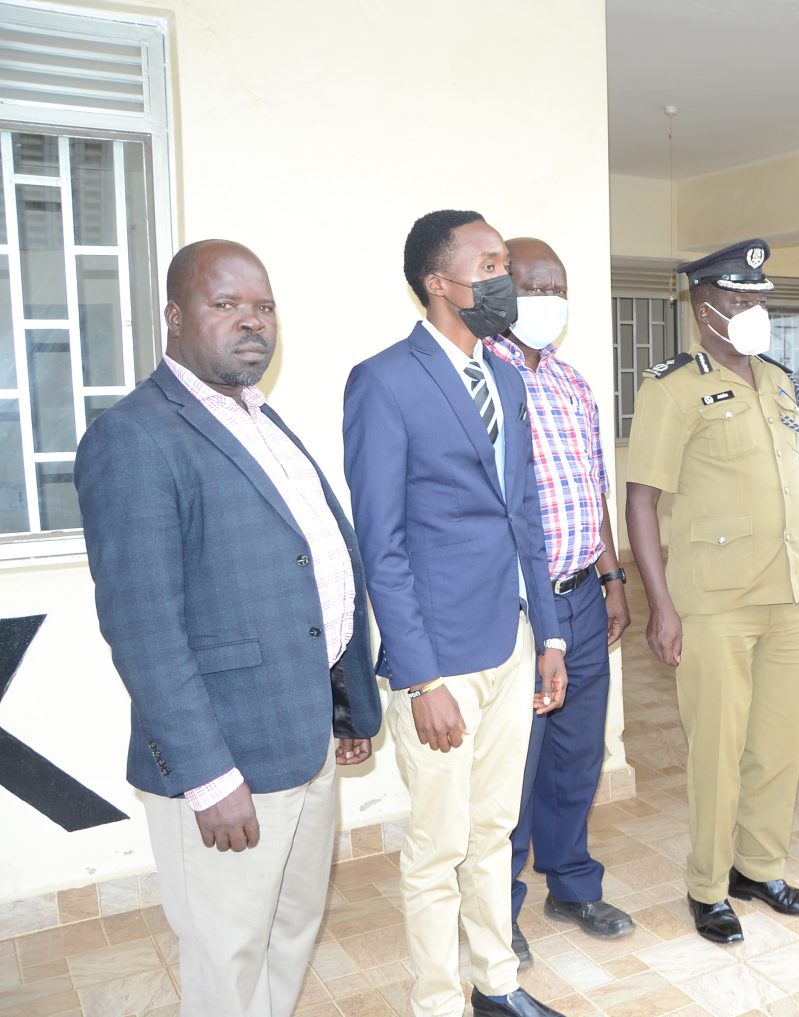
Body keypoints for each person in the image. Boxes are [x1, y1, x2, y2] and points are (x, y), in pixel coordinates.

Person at [75, 240, 381, 1017]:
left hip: (301, 739)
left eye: (265, 306)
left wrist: (343, 705)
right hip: (228, 766)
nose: (253, 321)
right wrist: (209, 777)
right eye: (227, 304)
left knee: (290, 931)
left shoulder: (262, 421)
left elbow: (312, 574)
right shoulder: (137, 436)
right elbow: (143, 628)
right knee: (226, 959)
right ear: (175, 316)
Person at [343, 210, 567, 1017]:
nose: (504, 278)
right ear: (440, 282)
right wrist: (419, 674)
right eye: (491, 263)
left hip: (510, 641)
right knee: (436, 846)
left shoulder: (507, 375)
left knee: (494, 828)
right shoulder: (385, 380)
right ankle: (436, 1003)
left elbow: (526, 515)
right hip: (439, 656)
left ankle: (497, 986)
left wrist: (546, 632)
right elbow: (383, 543)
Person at [626, 239, 799, 946]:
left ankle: (760, 866)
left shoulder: (778, 379)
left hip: (787, 591)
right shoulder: (672, 387)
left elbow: (797, 481)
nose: (751, 310)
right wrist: (662, 605)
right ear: (701, 306)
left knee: (778, 744)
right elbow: (643, 501)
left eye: (758, 297)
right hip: (713, 602)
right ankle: (708, 884)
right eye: (736, 300)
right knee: (717, 748)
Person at [484, 237, 633, 961]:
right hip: (520, 610)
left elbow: (592, 489)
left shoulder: (573, 381)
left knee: (578, 751)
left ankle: (571, 881)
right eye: (531, 283)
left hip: (581, 596)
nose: (547, 295)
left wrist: (612, 576)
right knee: (519, 760)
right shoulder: (483, 377)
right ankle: (499, 906)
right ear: (501, 290)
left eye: (557, 284)